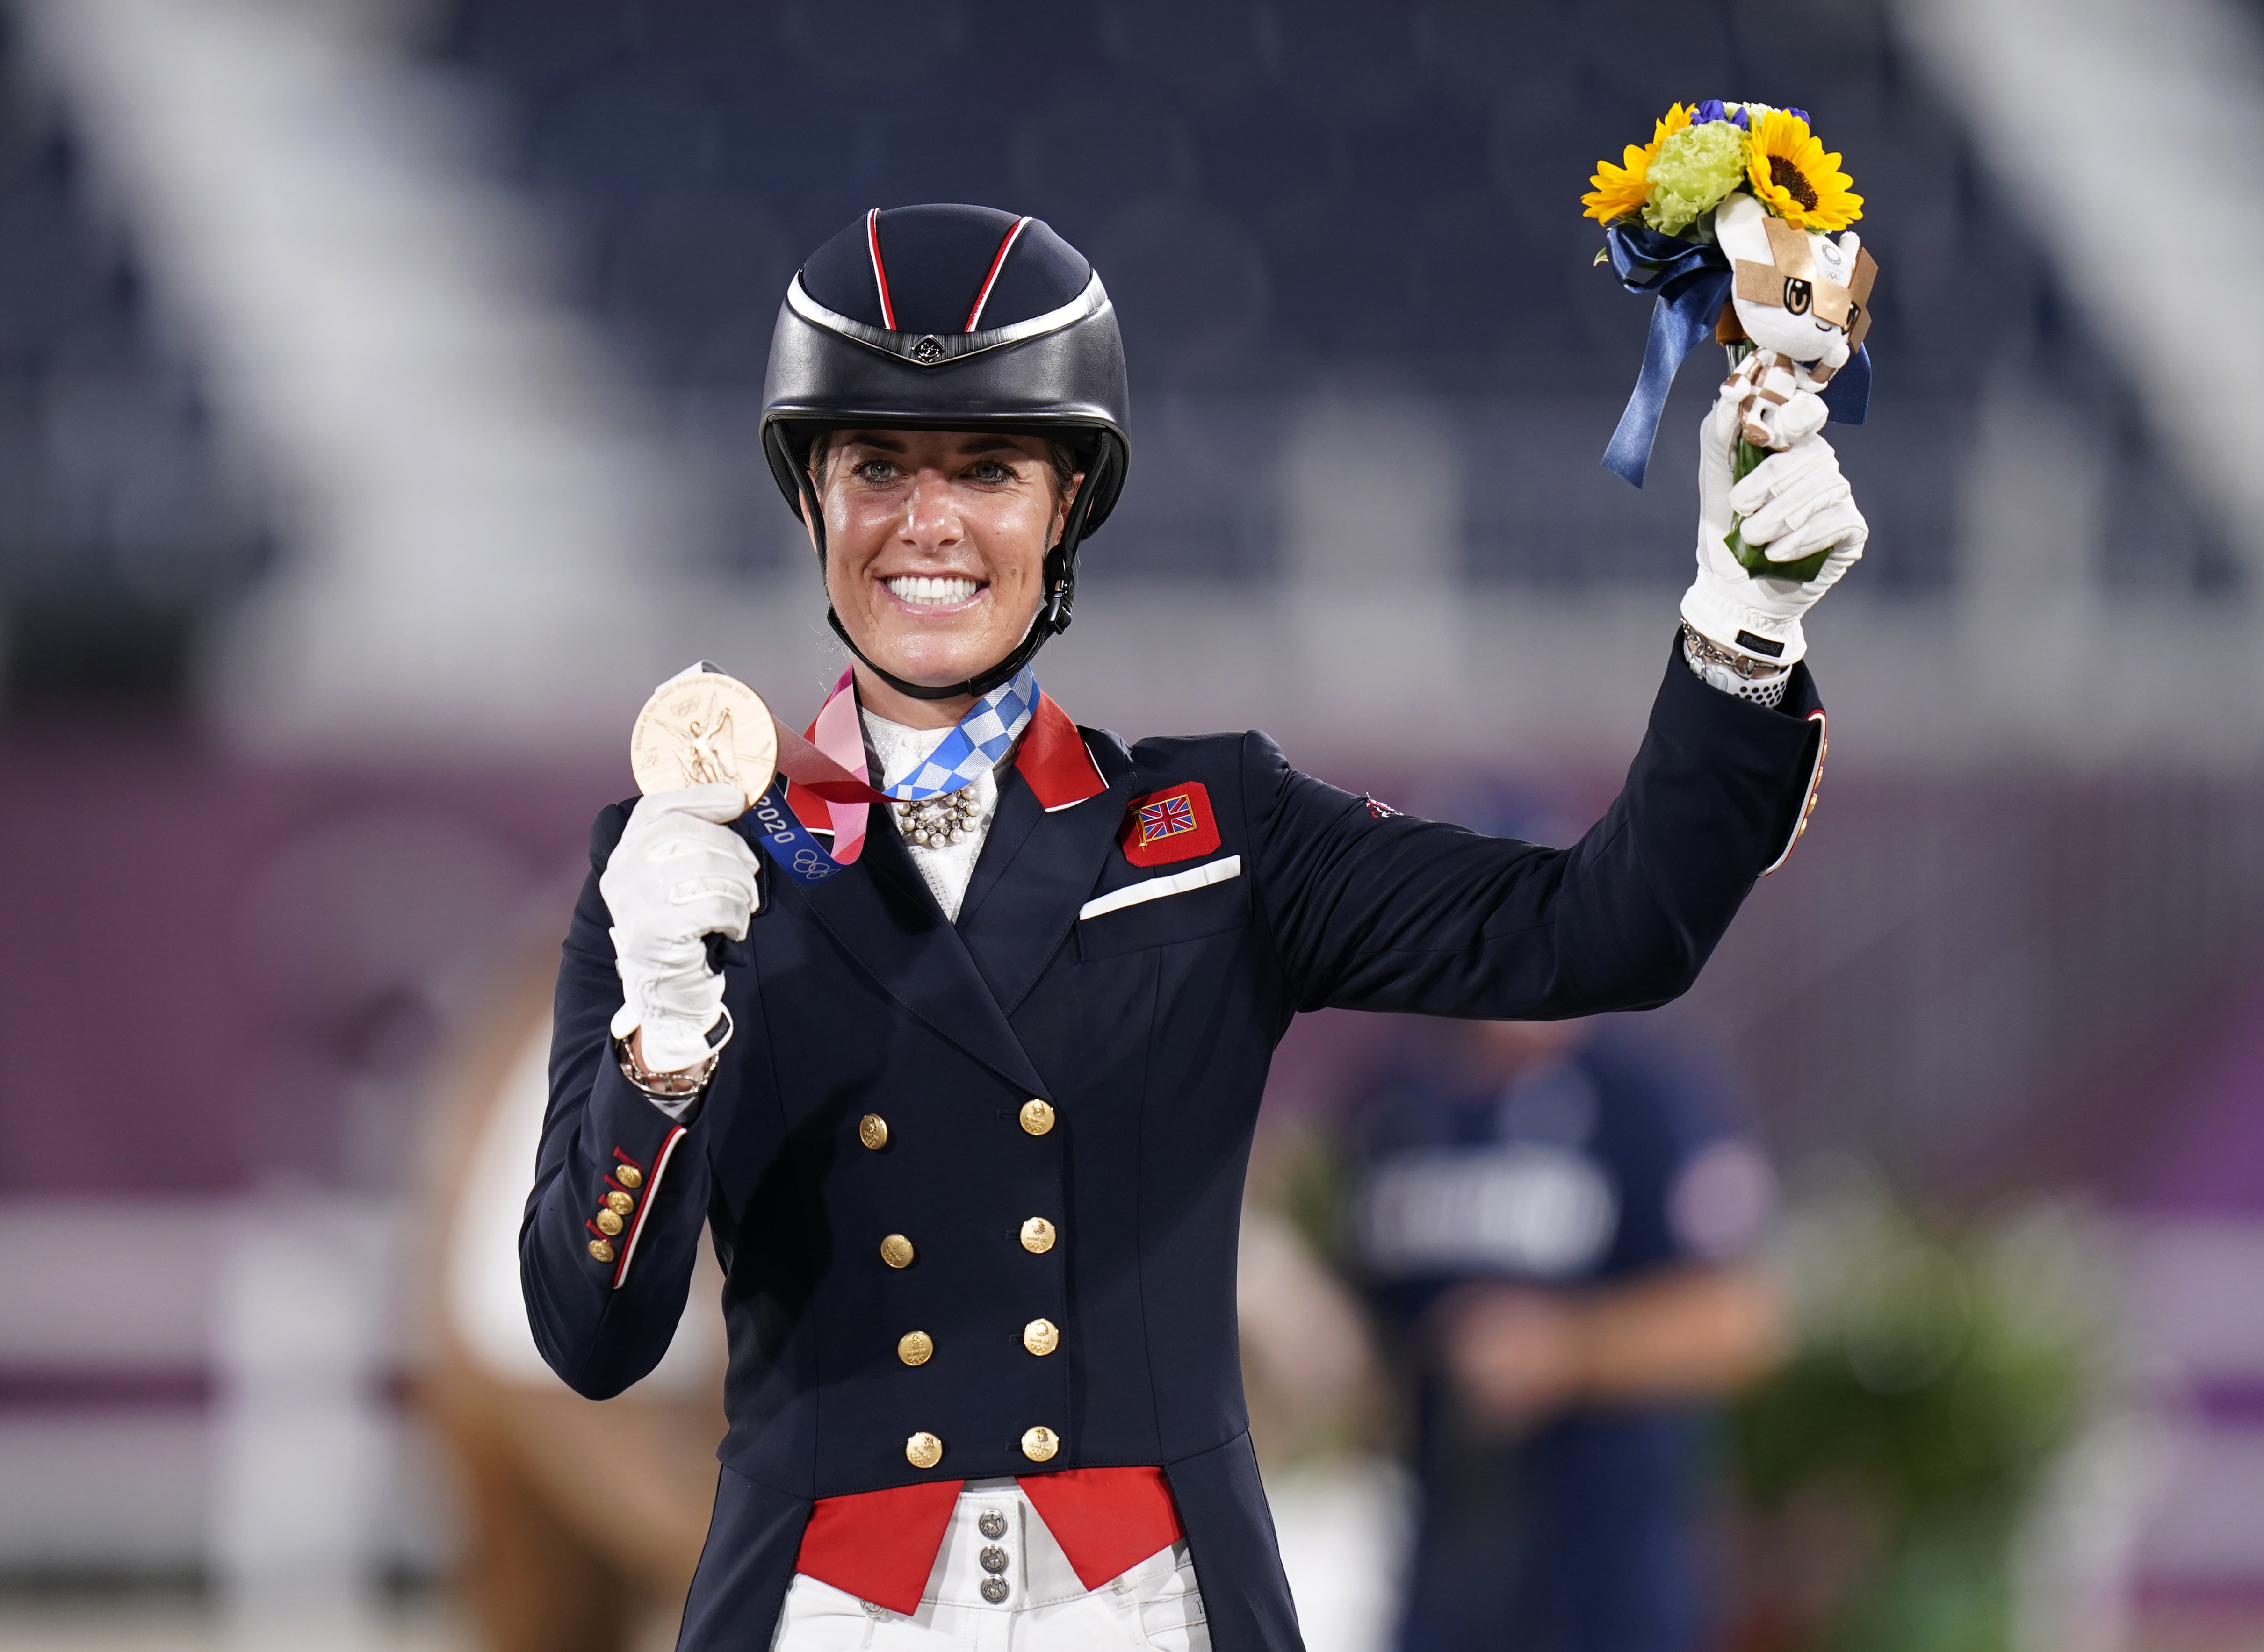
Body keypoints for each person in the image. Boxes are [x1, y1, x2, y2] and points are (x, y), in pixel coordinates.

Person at [518, 202, 1861, 1652]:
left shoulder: (1223, 826)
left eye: (988, 469)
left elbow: (1597, 931)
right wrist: (661, 1040)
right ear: (810, 503)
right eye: (877, 467)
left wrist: (1741, 627)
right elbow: (593, 1338)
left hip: (1152, 1604)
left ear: (1070, 505)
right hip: (823, 1608)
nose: (928, 523)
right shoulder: (680, 865)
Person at [1346, 1016, 1786, 1652]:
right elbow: (1368, 1319)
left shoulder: (1644, 1094)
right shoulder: (1394, 1098)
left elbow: (1744, 1317)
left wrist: (1571, 1348)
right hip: (1445, 1565)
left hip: (1610, 1578)